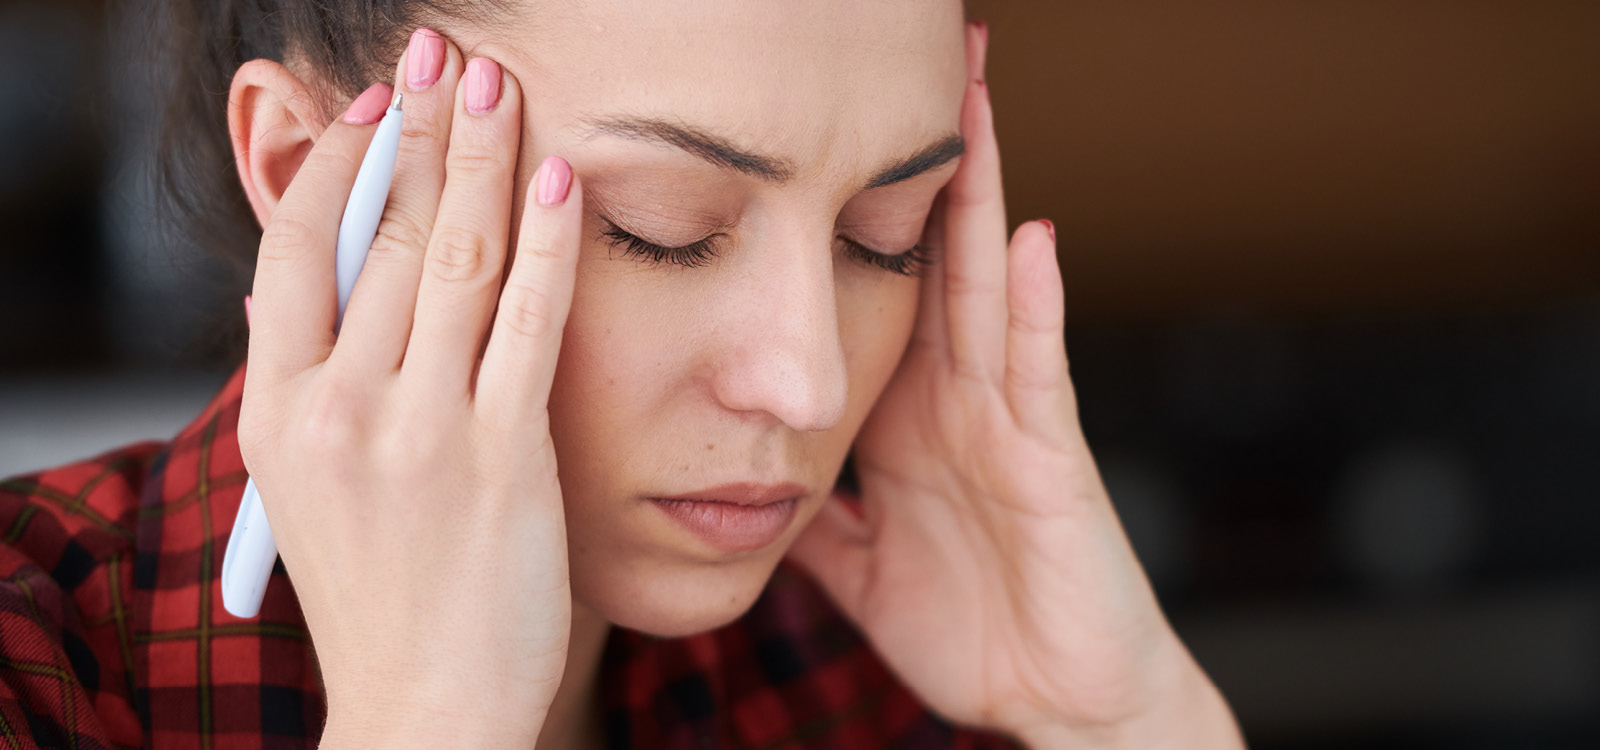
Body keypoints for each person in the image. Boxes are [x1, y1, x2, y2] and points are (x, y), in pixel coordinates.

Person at [0, 0, 1244, 747]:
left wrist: (1125, 720)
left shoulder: (866, 684)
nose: (806, 385)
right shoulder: (33, 666)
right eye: (659, 228)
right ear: (305, 177)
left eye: (887, 236)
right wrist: (431, 720)